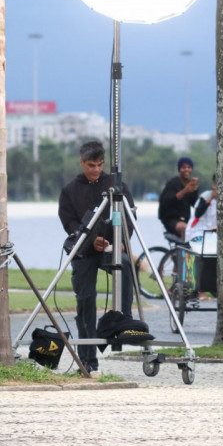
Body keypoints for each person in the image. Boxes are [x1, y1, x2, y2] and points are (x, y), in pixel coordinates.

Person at [57, 141, 135, 378]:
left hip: (111, 245)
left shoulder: (116, 184)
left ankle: (123, 320)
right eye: (91, 165)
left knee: (124, 262)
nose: (96, 170)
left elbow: (130, 215)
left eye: (100, 165)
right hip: (84, 251)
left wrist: (120, 238)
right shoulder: (69, 190)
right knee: (85, 301)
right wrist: (91, 241)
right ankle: (89, 361)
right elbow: (69, 224)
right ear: (82, 163)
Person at [158, 157, 199, 238]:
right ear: (179, 169)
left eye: (189, 167)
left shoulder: (191, 185)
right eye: (184, 167)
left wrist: (195, 192)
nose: (186, 170)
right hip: (171, 219)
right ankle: (184, 250)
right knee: (185, 228)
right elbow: (166, 201)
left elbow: (196, 204)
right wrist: (185, 190)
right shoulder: (172, 183)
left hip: (186, 219)